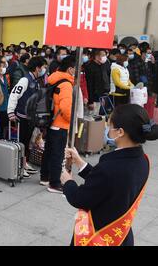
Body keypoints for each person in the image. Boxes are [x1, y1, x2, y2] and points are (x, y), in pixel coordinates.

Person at [61, 104, 153, 246]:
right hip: (120, 235)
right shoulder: (143, 161)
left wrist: (68, 182)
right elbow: (108, 184)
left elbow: (80, 199)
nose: (107, 129)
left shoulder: (110, 167)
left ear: (120, 132)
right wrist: (81, 163)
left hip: (98, 235)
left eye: (110, 126)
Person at [40, 56, 75, 194]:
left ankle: (45, 176)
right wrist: (70, 120)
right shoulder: (66, 84)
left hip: (50, 120)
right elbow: (66, 108)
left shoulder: (53, 78)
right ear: (70, 69)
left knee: (49, 151)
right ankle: (54, 183)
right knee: (57, 154)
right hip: (60, 123)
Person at [8, 57, 47, 178]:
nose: (44, 70)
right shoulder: (25, 80)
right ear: (37, 68)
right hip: (22, 118)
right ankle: (19, 166)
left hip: (30, 118)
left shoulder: (36, 81)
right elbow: (14, 95)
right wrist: (10, 112)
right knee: (21, 143)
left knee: (28, 142)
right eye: (43, 67)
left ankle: (24, 163)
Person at [85, 49, 111, 116]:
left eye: (105, 55)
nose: (104, 57)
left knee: (97, 116)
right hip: (93, 97)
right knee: (91, 117)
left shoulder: (103, 65)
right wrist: (90, 101)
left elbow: (105, 81)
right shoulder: (90, 67)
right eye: (102, 55)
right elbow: (89, 85)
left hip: (101, 96)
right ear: (96, 56)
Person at [0, 57, 10, 139]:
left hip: (6, 105)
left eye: (4, 67)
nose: (3, 68)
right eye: (1, 67)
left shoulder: (4, 77)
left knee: (5, 126)